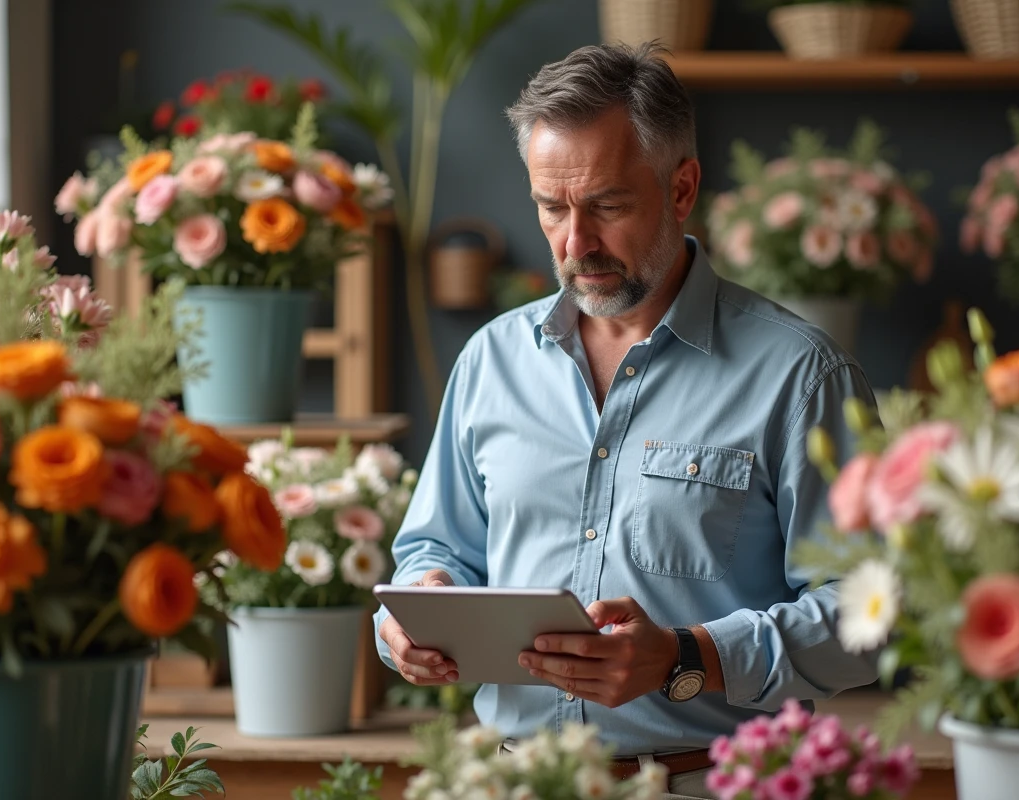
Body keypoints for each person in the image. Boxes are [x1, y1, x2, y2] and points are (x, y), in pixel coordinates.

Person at [374, 41, 878, 798]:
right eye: (552, 208)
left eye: (607, 205)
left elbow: (868, 613)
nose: (576, 244)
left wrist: (688, 655)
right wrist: (413, 617)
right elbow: (434, 545)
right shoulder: (490, 360)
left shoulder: (801, 376)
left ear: (682, 189)